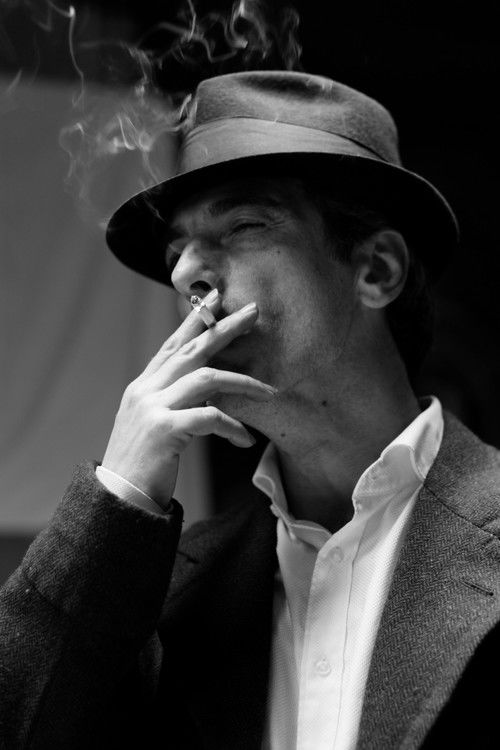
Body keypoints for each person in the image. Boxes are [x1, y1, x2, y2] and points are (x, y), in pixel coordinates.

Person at [1, 70, 500, 750]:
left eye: (243, 223)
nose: (185, 274)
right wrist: (115, 499)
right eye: (176, 253)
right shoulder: (159, 590)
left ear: (377, 270)